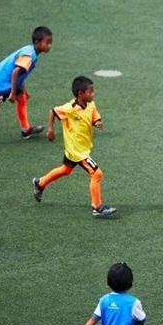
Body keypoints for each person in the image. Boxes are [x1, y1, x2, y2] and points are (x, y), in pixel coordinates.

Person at [32, 75, 116, 218]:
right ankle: (97, 207)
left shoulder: (91, 104)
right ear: (80, 94)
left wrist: (97, 122)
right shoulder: (69, 108)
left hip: (82, 147)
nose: (93, 94)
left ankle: (40, 183)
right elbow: (52, 111)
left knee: (66, 170)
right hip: (77, 151)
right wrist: (50, 130)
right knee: (97, 173)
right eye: (90, 92)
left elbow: (94, 115)